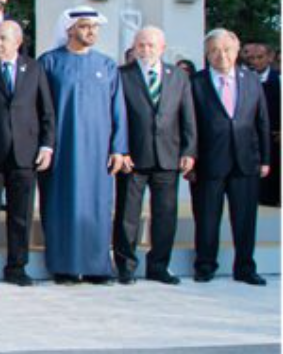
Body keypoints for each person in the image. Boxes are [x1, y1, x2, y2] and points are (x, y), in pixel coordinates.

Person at [37, 6, 128, 285]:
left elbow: (118, 110)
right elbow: (40, 107)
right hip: (61, 148)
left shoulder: (107, 65)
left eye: (95, 27)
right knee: (60, 205)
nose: (91, 32)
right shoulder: (49, 62)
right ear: (70, 29)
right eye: (85, 26)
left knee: (97, 206)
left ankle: (96, 267)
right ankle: (63, 267)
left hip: (98, 150)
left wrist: (118, 149)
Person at [0, 20, 54, 288]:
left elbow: (46, 111)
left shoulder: (34, 68)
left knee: (21, 213)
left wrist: (47, 145)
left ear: (17, 42)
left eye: (3, 38)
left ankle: (17, 267)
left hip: (25, 153)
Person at [112, 26, 195, 285]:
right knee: (128, 215)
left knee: (165, 214)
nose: (146, 50)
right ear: (134, 48)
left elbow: (188, 116)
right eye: (141, 45)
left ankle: (159, 266)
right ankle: (126, 266)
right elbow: (115, 117)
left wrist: (189, 151)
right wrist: (120, 150)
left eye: (151, 45)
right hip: (133, 158)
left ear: (162, 48)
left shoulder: (178, 77)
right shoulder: (122, 75)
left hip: (168, 157)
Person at [190, 28, 271, 286]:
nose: (221, 55)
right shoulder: (196, 82)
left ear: (237, 52)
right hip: (208, 162)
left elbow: (262, 122)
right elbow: (188, 125)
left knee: (246, 219)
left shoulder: (251, 80)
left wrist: (266, 160)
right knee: (206, 218)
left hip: (245, 161)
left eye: (226, 49)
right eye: (214, 50)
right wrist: (189, 158)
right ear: (206, 54)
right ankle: (205, 265)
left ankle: (245, 267)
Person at [241, 42, 280, 207]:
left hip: (274, 138)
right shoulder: (242, 80)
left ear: (270, 58)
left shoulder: (279, 80)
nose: (255, 61)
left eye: (259, 57)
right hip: (247, 139)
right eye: (251, 58)